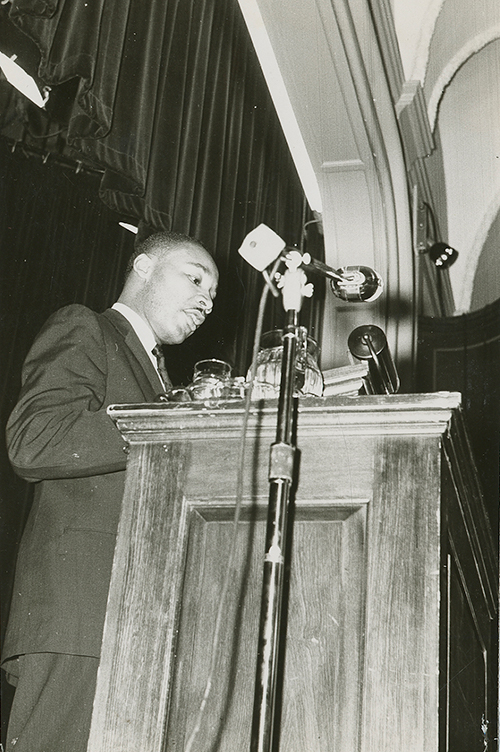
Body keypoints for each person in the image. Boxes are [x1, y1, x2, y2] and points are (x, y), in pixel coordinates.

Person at [2, 230, 219, 751]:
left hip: (137, 615)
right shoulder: (87, 327)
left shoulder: (161, 379)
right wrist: (169, 420)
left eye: (212, 297)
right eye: (195, 279)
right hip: (82, 613)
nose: (205, 302)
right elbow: (34, 441)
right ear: (143, 267)